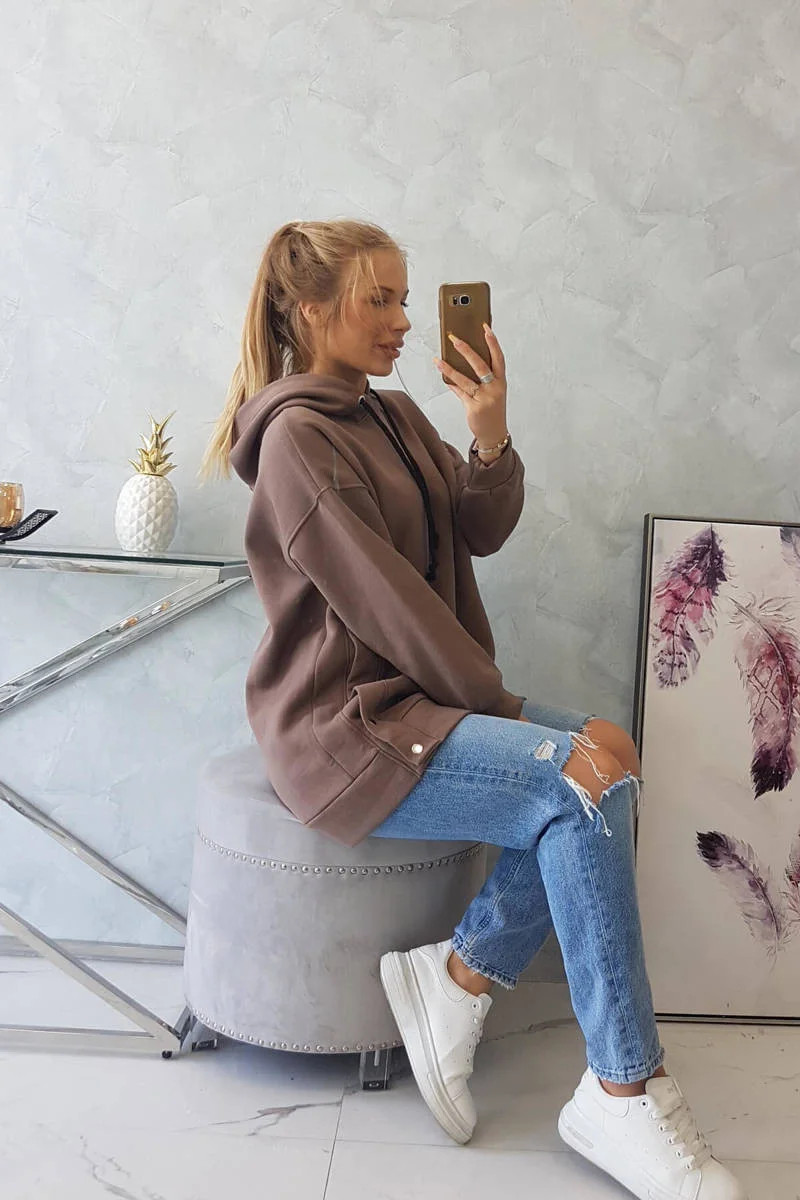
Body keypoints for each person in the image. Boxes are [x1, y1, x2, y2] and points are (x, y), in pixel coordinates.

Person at [199, 218, 747, 1200]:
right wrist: (515, 718)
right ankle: (623, 1092)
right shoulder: (295, 442)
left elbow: (480, 529)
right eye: (379, 299)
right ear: (312, 310)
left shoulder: (394, 415)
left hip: (418, 700)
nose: (405, 320)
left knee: (610, 764)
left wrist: (488, 430)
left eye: (406, 299)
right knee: (579, 784)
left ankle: (454, 982)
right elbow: (388, 607)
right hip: (348, 730)